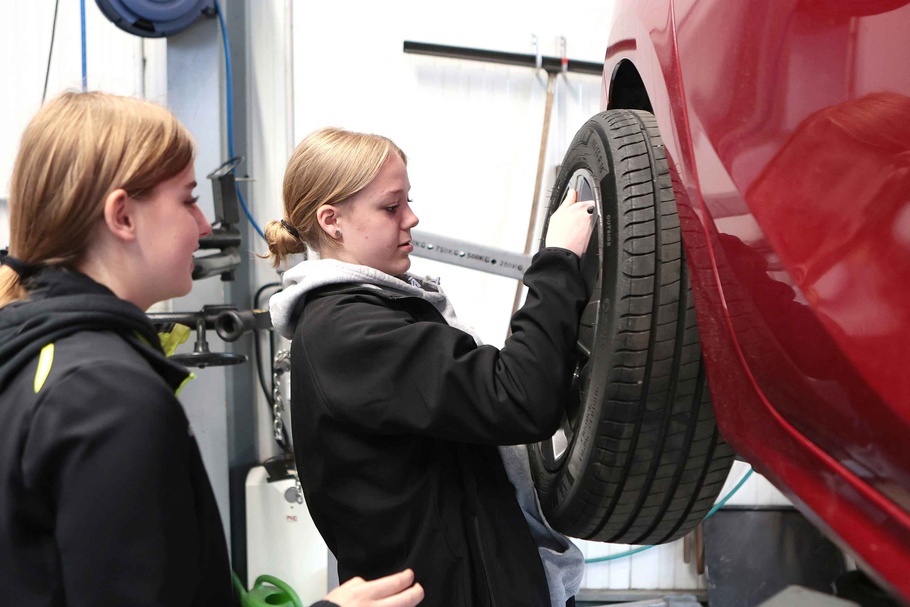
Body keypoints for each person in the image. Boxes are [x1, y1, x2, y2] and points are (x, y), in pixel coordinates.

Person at [0, 92, 423, 607]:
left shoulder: (34, 357)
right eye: (187, 199)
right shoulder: (104, 397)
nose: (203, 226)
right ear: (122, 217)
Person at [266, 127, 595, 607]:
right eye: (391, 206)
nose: (411, 218)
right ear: (332, 220)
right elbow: (517, 397)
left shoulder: (374, 313)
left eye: (408, 202)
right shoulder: (351, 333)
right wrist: (559, 260)